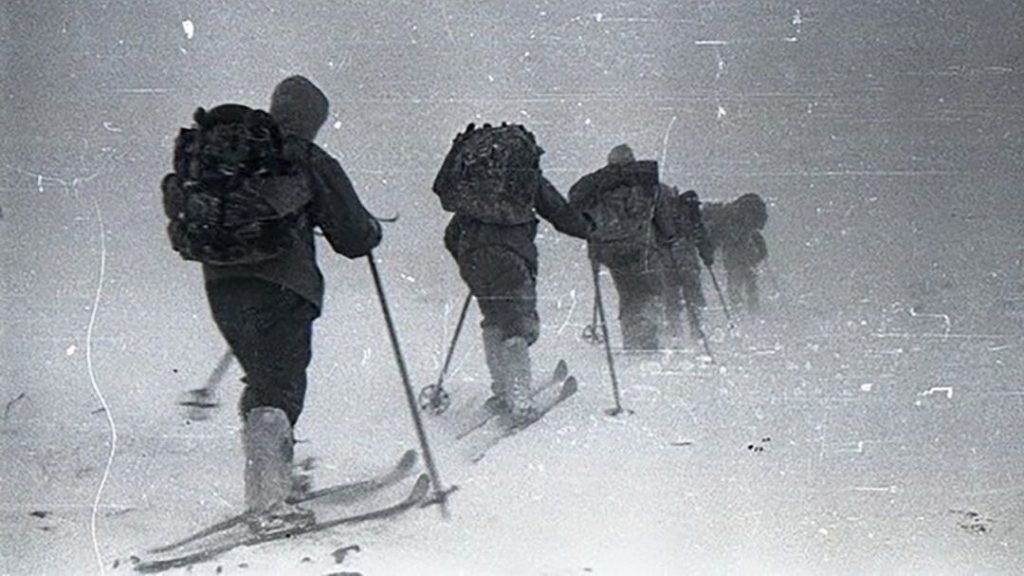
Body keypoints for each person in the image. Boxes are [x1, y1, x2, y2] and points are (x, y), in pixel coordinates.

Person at [190, 76, 381, 531]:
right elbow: (353, 236)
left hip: (221, 282)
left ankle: (269, 486)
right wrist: (372, 230)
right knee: (280, 385)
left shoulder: (233, 151)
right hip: (284, 287)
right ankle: (272, 504)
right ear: (314, 119)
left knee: (262, 380)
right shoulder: (306, 157)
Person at [435, 123, 592, 423]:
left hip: (472, 257)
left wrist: (469, 259)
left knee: (494, 320)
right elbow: (559, 212)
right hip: (511, 257)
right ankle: (520, 401)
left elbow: (450, 234)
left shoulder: (473, 187)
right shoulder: (524, 177)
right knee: (517, 324)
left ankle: (502, 392)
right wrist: (590, 230)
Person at [569, 144, 677, 351]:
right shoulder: (649, 184)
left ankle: (633, 342)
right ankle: (646, 343)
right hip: (641, 248)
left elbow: (577, 210)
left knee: (628, 294)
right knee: (649, 292)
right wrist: (668, 239)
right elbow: (665, 223)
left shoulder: (599, 185)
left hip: (609, 252)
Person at [703, 192, 768, 313]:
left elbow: (723, 237)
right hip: (745, 253)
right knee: (749, 282)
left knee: (736, 283)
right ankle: (752, 310)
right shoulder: (745, 220)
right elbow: (755, 232)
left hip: (734, 254)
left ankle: (738, 310)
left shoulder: (732, 218)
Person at [662, 190, 714, 343]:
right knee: (692, 297)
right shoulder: (693, 218)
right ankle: (696, 331)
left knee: (673, 299)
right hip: (686, 262)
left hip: (669, 262)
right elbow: (702, 239)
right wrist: (707, 257)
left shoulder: (668, 215)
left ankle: (675, 333)